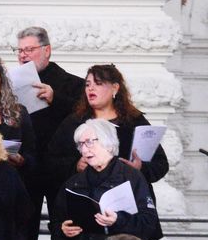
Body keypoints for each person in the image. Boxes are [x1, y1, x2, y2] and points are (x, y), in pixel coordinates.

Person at [50, 119, 162, 240]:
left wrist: (119, 220)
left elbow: (148, 223)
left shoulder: (131, 178)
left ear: (109, 144)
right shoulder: (73, 183)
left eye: (89, 142)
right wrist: (62, 230)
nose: (84, 150)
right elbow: (56, 224)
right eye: (80, 145)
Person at [15, 27, 84, 240]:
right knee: (25, 233)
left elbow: (83, 115)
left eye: (29, 50)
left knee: (63, 234)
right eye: (20, 50)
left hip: (61, 171)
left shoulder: (70, 83)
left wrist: (55, 98)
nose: (23, 55)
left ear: (46, 50)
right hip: (27, 170)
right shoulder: (12, 82)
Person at [47, 64, 170, 195]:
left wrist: (139, 168)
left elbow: (160, 164)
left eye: (98, 83)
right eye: (87, 85)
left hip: (129, 200)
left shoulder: (134, 122)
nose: (91, 88)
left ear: (115, 88)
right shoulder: (74, 122)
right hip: (86, 200)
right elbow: (51, 161)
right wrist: (75, 166)